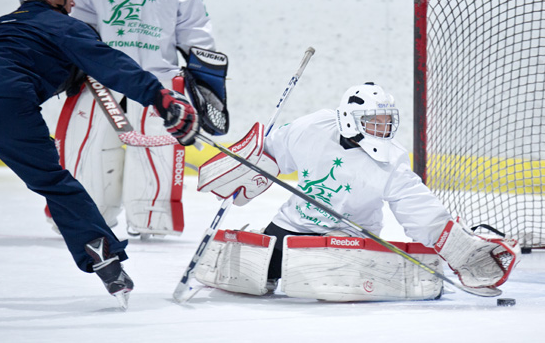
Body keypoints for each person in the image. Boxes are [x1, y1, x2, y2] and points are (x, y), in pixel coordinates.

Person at [0, 0, 199, 309]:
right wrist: (160, 98)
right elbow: (114, 67)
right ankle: (105, 261)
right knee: (54, 183)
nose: (73, 1)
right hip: (8, 102)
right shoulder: (65, 27)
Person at [191, 83, 520, 302]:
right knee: (257, 276)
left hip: (350, 235)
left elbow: (420, 210)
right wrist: (245, 168)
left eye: (387, 121)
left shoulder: (391, 161)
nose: (384, 128)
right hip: (294, 225)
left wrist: (462, 250)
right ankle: (254, 243)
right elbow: (271, 151)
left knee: (334, 274)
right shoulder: (313, 128)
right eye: (375, 121)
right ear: (350, 120)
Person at [51, 0, 222, 239]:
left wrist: (205, 85)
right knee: (89, 150)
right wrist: (72, 60)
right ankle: (85, 217)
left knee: (155, 155)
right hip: (101, 77)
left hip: (158, 81)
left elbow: (195, 32)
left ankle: (151, 221)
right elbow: (82, 21)